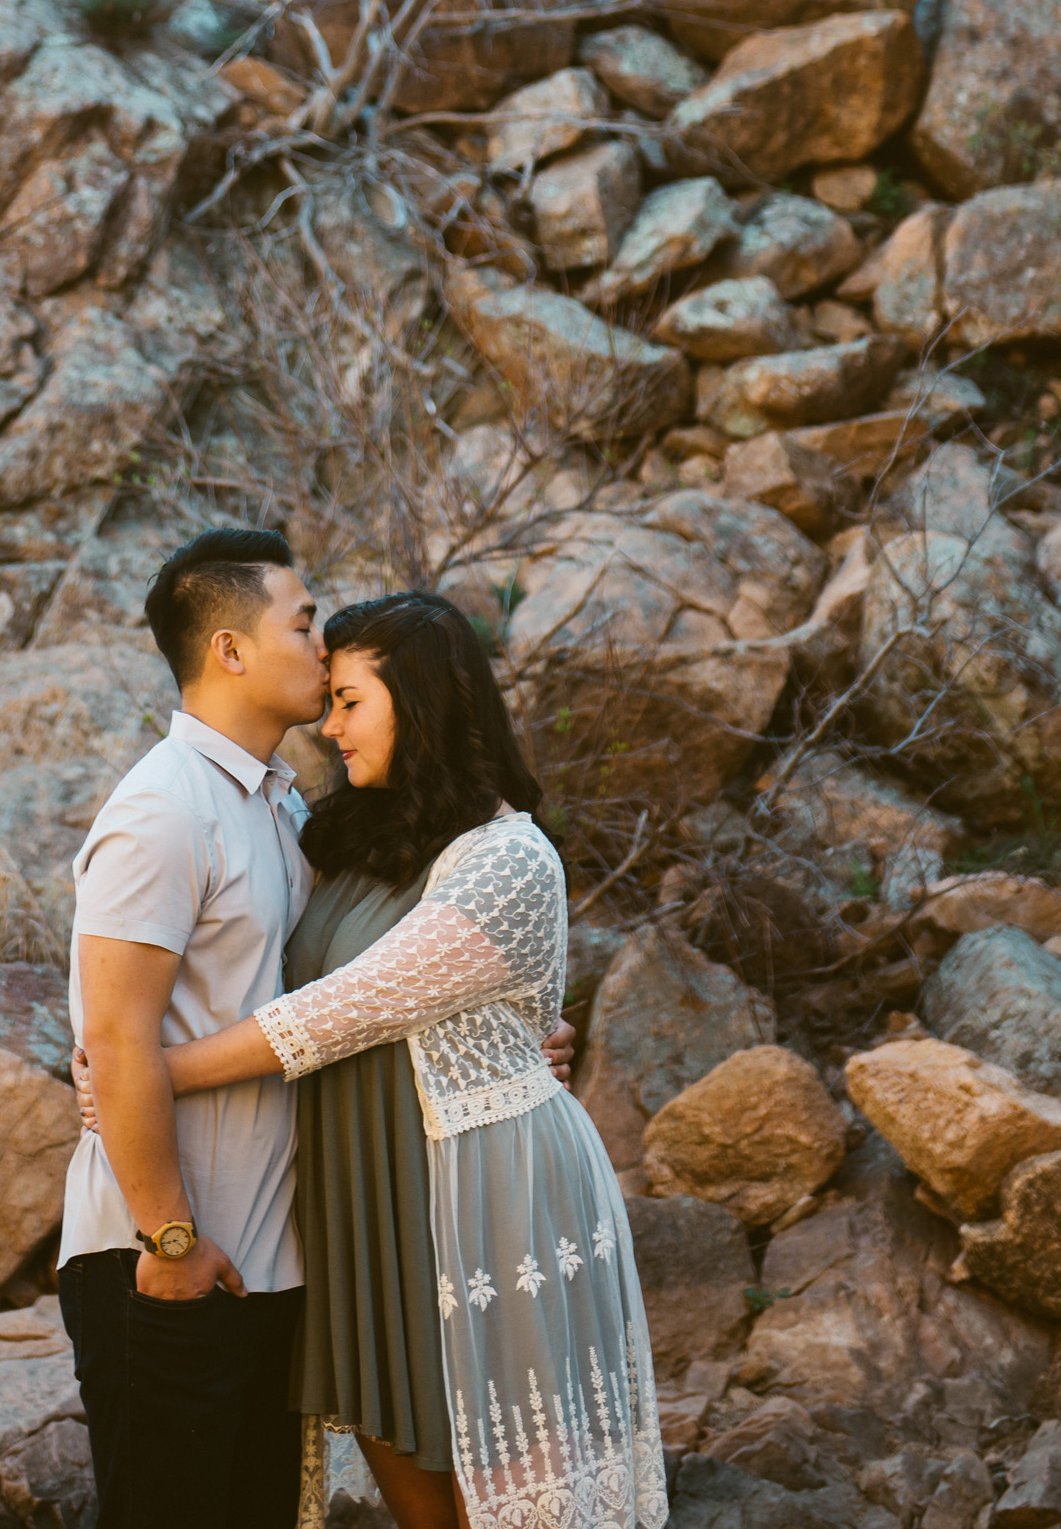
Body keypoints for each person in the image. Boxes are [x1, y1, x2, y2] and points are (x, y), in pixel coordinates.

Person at [142, 589, 666, 1529]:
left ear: (420, 704)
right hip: (358, 1198)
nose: (330, 726)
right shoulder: (342, 839)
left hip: (479, 1195)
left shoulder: (509, 857)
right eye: (331, 700)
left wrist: (150, 1074)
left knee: (510, 1488)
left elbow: (338, 1013)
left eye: (352, 702)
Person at [56, 524, 328, 1529]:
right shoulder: (161, 808)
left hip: (262, 1267)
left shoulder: (276, 806)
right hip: (165, 1261)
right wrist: (169, 1239)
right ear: (230, 649)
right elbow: (117, 1038)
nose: (323, 645)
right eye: (304, 622)